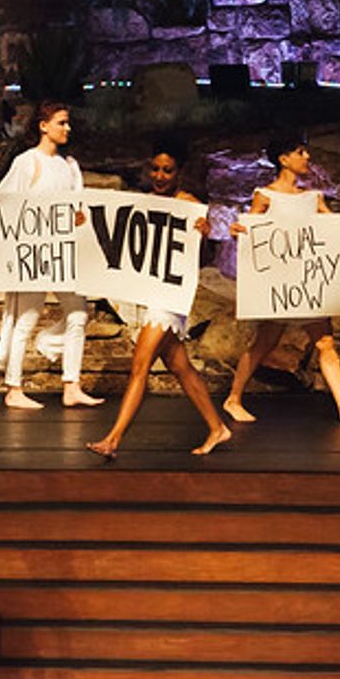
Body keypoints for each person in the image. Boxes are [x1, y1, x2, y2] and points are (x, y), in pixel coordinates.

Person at [86, 137, 232, 458]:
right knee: (181, 368)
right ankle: (217, 428)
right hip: (150, 296)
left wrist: (204, 235)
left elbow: (200, 258)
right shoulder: (146, 202)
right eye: (155, 169)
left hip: (169, 300)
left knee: (139, 366)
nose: (160, 176)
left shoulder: (188, 203)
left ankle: (113, 439)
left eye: (167, 170)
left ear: (179, 172)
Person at [222, 131, 340, 424]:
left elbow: (335, 231)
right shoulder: (264, 195)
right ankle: (233, 398)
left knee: (325, 343)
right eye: (300, 152)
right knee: (264, 344)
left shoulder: (312, 198)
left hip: (307, 284)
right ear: (284, 159)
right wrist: (239, 231)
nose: (307, 157)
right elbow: (251, 230)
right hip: (281, 284)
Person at [0, 101, 103, 410]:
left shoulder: (70, 165)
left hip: (61, 253)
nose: (67, 128)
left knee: (78, 313)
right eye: (61, 122)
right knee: (27, 318)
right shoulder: (27, 161)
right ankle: (13, 387)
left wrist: (79, 218)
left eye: (68, 122)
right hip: (34, 253)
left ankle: (71, 384)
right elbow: (7, 196)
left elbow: (79, 206)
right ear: (44, 125)